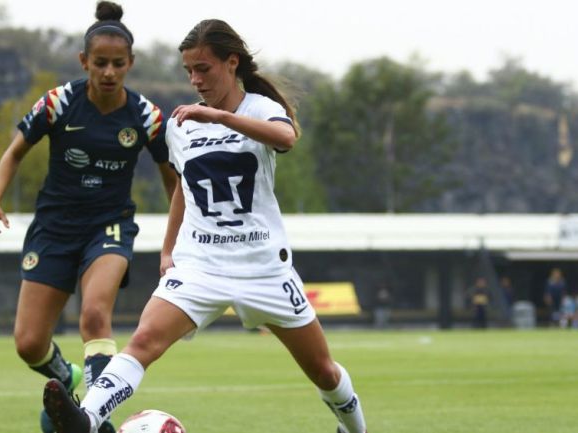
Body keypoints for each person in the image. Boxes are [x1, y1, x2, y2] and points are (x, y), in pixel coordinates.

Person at [42, 19, 367, 433]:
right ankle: (85, 419)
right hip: (201, 266)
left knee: (323, 370)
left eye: (203, 69)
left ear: (232, 63)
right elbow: (183, 187)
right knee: (143, 342)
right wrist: (167, 249)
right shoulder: (183, 124)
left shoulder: (259, 110)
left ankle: (356, 429)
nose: (195, 80)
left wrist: (218, 117)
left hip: (264, 268)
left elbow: (284, 138)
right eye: (188, 71)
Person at [0, 2, 177, 432]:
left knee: (93, 316)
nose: (108, 72)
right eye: (100, 63)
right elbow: (14, 153)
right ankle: (68, 377)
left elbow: (171, 180)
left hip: (109, 225)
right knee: (29, 344)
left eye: (118, 64)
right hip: (54, 227)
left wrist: (180, 238)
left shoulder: (146, 117)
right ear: (83, 61)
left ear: (131, 64)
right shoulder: (58, 103)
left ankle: (91, 413)